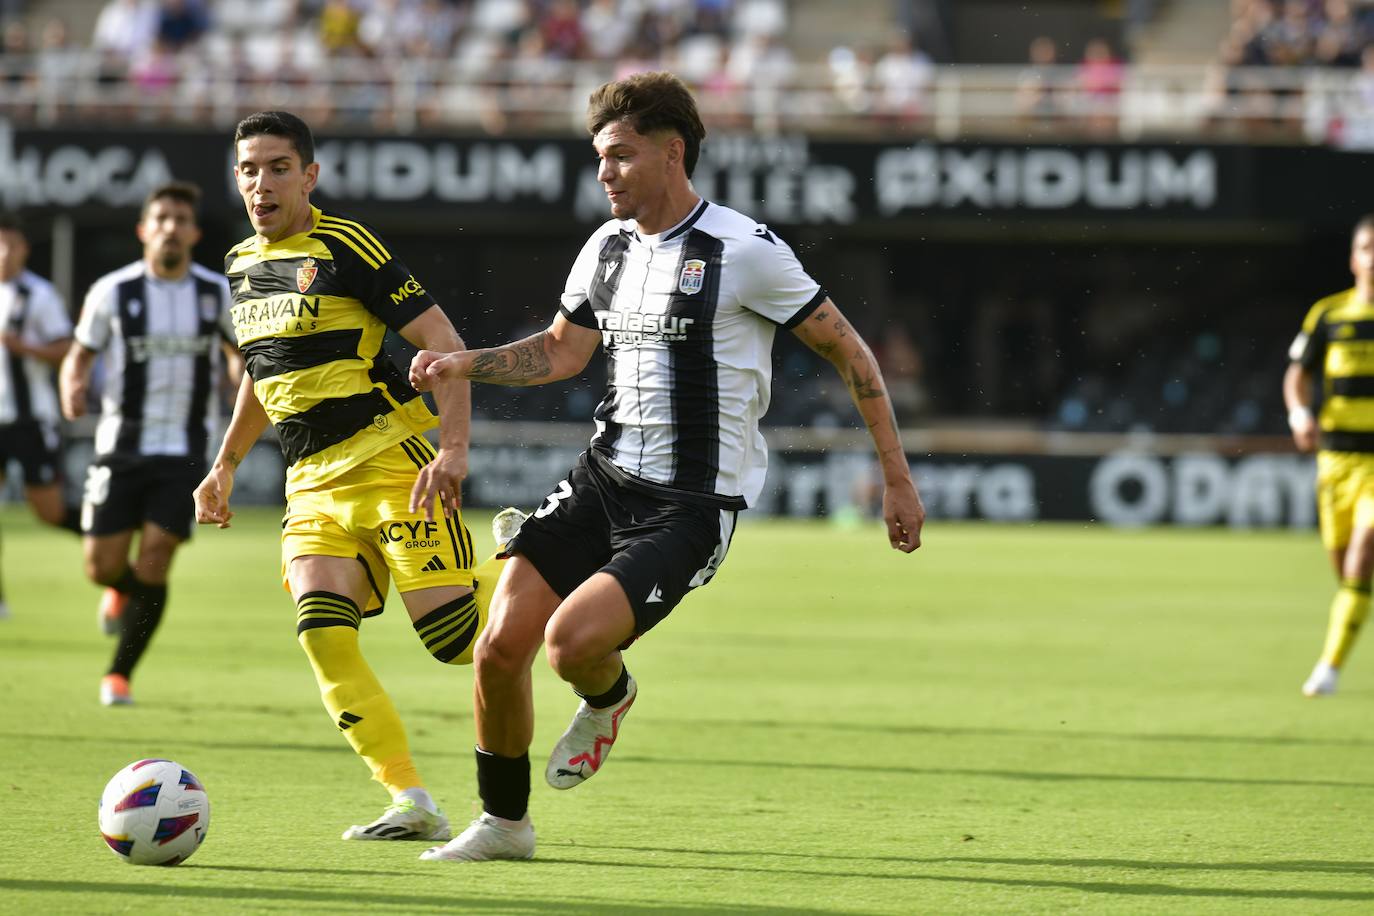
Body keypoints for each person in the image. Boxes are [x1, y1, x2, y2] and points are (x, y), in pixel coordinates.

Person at [408, 71, 926, 862]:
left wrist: (895, 474)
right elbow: (559, 351)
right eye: (599, 157)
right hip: (602, 476)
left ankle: (608, 694)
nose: (604, 172)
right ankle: (505, 826)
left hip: (689, 505)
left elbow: (848, 352)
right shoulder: (606, 247)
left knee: (571, 645)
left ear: (671, 152)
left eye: (619, 155)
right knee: (500, 644)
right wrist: (462, 364)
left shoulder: (744, 250)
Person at [191, 110, 488, 844]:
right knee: (321, 632)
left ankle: (526, 561)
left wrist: (453, 450)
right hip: (312, 485)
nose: (262, 183)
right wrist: (224, 465)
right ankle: (410, 798)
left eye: (279, 167)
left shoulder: (345, 244)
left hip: (393, 463)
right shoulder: (237, 265)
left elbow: (444, 342)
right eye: (250, 168)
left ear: (310, 175)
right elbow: (263, 378)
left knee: (455, 641)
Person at [58, 181, 240, 704]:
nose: (171, 228)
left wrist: (234, 370)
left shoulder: (214, 292)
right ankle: (118, 591)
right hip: (121, 446)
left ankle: (119, 674)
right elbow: (81, 351)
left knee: (157, 555)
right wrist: (72, 382)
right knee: (102, 566)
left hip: (184, 451)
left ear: (194, 233)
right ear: (144, 230)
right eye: (161, 218)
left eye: (181, 220)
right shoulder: (113, 291)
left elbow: (239, 352)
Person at [1286, 214, 1374, 697]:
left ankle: (1330, 667)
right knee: (1349, 578)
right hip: (1335, 464)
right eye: (1367, 248)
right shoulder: (1329, 315)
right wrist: (1300, 414)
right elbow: (1295, 375)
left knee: (1364, 555)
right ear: (1353, 258)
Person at [0, 211, 81, 620]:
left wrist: (24, 348)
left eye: (10, 245)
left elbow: (67, 348)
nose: (3, 254)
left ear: (24, 249)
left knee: (47, 511)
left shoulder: (39, 295)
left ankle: (109, 539)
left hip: (30, 420)